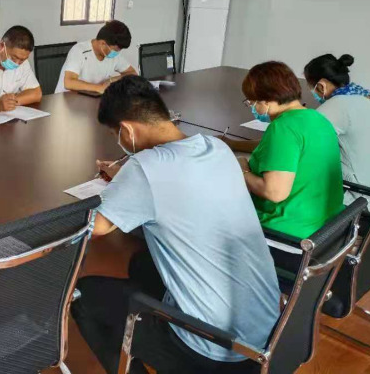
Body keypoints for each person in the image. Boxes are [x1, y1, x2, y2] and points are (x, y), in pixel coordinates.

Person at [72, 76, 279, 374]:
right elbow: (178, 188)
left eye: (116, 134)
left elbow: (96, 227)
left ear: (127, 130)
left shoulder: (145, 168)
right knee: (142, 263)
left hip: (212, 347)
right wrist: (126, 185)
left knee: (83, 296)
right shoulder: (217, 148)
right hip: (267, 333)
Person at [222, 61, 344, 238]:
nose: (252, 107)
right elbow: (277, 148)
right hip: (325, 226)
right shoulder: (316, 118)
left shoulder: (283, 128)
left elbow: (274, 192)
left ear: (266, 100)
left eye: (252, 102)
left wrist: (243, 171)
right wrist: (233, 143)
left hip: (288, 231)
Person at [304, 53, 370, 211]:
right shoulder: (369, 97)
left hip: (360, 200)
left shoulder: (335, 106)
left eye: (311, 86)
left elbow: (301, 143)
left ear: (321, 85)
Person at [56, 20, 138, 94]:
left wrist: (112, 80)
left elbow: (132, 73)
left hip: (92, 98)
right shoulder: (79, 51)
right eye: (115, 50)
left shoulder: (114, 56)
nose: (116, 53)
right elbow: (69, 82)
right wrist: (99, 88)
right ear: (103, 44)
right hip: (67, 99)